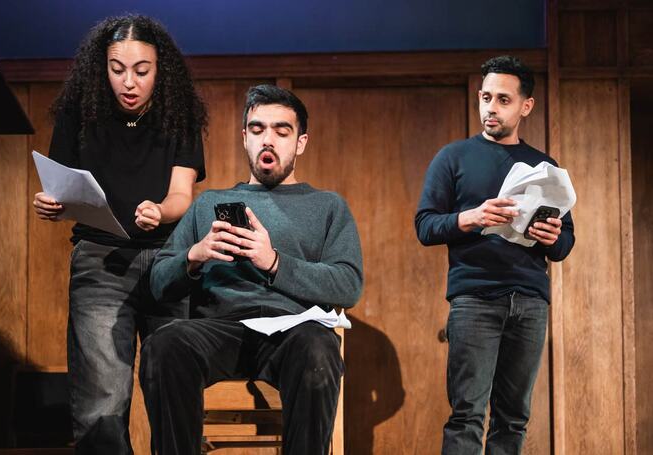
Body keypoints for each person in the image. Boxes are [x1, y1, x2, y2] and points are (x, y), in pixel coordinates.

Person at [139, 84, 363, 455]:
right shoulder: (209, 202)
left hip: (293, 331)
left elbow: (348, 285)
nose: (268, 140)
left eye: (282, 130)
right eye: (257, 130)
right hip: (223, 330)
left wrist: (273, 262)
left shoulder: (328, 206)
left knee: (319, 351)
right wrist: (195, 255)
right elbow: (159, 283)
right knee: (163, 344)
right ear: (245, 138)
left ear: (301, 142)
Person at [31, 15, 207, 454]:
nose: (129, 82)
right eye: (117, 69)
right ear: (101, 67)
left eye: (142, 71)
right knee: (102, 402)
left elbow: (183, 194)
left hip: (169, 261)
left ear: (159, 70)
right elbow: (63, 187)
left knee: (173, 393)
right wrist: (51, 204)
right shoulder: (80, 112)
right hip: (101, 260)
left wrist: (161, 211)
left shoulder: (178, 114)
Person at [415, 55, 575, 454]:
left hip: (530, 301)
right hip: (474, 299)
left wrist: (550, 235)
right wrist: (472, 217)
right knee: (468, 413)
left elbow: (565, 244)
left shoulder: (544, 165)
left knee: (514, 418)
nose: (490, 108)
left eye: (503, 100)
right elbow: (425, 225)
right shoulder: (453, 157)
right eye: (485, 97)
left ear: (525, 106)